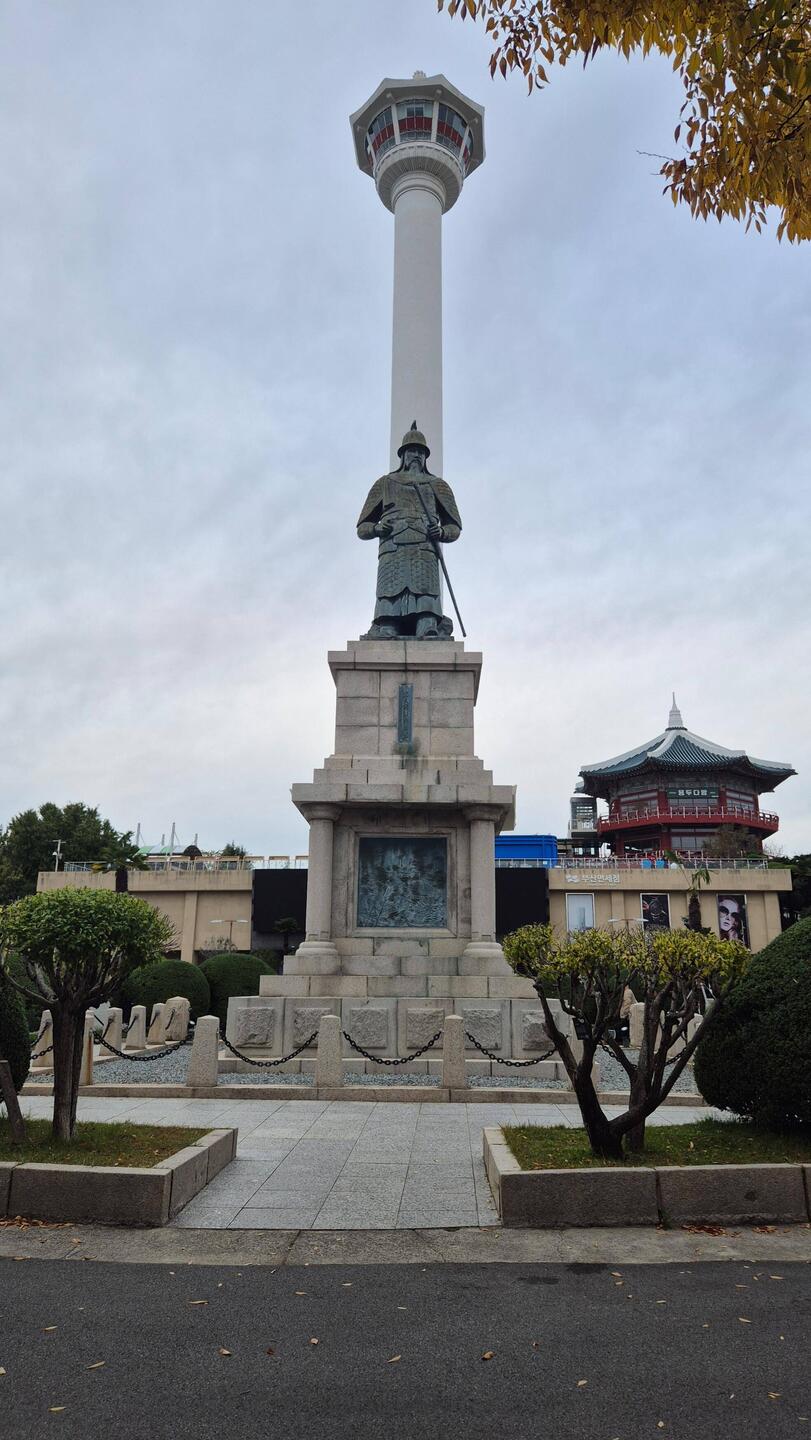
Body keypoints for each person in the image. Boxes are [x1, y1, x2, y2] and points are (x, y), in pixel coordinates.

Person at [357, 422, 462, 639]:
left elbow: (454, 527)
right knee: (389, 595)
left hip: (424, 550)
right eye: (411, 451)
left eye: (420, 452)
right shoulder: (385, 484)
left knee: (425, 592)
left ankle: (427, 623)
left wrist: (441, 533)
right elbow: (362, 528)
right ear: (403, 455)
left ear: (425, 457)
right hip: (393, 550)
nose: (416, 455)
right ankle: (388, 623)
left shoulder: (437, 485)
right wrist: (377, 528)